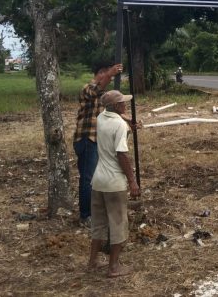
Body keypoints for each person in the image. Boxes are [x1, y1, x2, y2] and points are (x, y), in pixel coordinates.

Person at [87, 90, 141, 278]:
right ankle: (113, 267)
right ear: (116, 106)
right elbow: (121, 154)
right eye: (123, 103)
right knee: (118, 224)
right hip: (114, 183)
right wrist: (132, 181)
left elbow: (116, 125)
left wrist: (129, 126)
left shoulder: (101, 118)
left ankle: (93, 262)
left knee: (99, 223)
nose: (125, 105)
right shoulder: (119, 124)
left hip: (98, 181)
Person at [73, 59, 123, 227]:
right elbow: (96, 89)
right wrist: (110, 74)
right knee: (88, 179)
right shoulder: (87, 88)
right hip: (87, 139)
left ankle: (95, 211)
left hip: (97, 141)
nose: (109, 78)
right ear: (100, 73)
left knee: (96, 178)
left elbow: (112, 113)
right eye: (106, 74)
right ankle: (85, 215)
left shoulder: (103, 95)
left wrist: (130, 121)